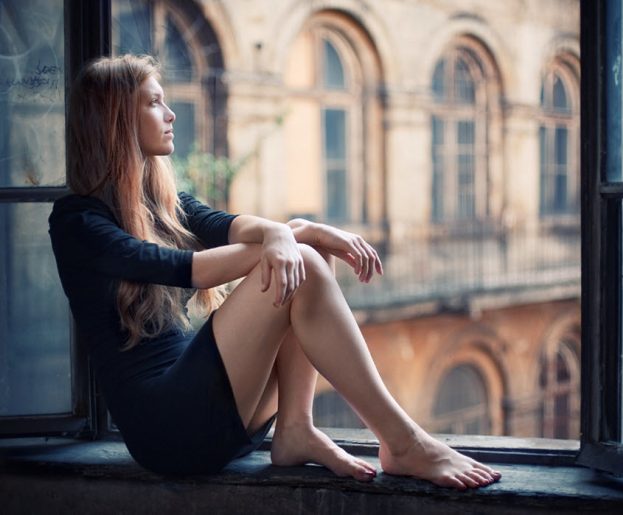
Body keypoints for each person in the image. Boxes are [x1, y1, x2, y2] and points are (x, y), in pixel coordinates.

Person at [49, 54, 501, 490]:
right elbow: (188, 269)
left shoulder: (166, 205)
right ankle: (403, 442)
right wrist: (295, 238)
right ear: (114, 119)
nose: (170, 114)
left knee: (302, 260)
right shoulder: (77, 221)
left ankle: (296, 429)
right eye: (153, 102)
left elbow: (230, 225)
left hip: (206, 411)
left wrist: (297, 232)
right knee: (299, 259)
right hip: (167, 429)